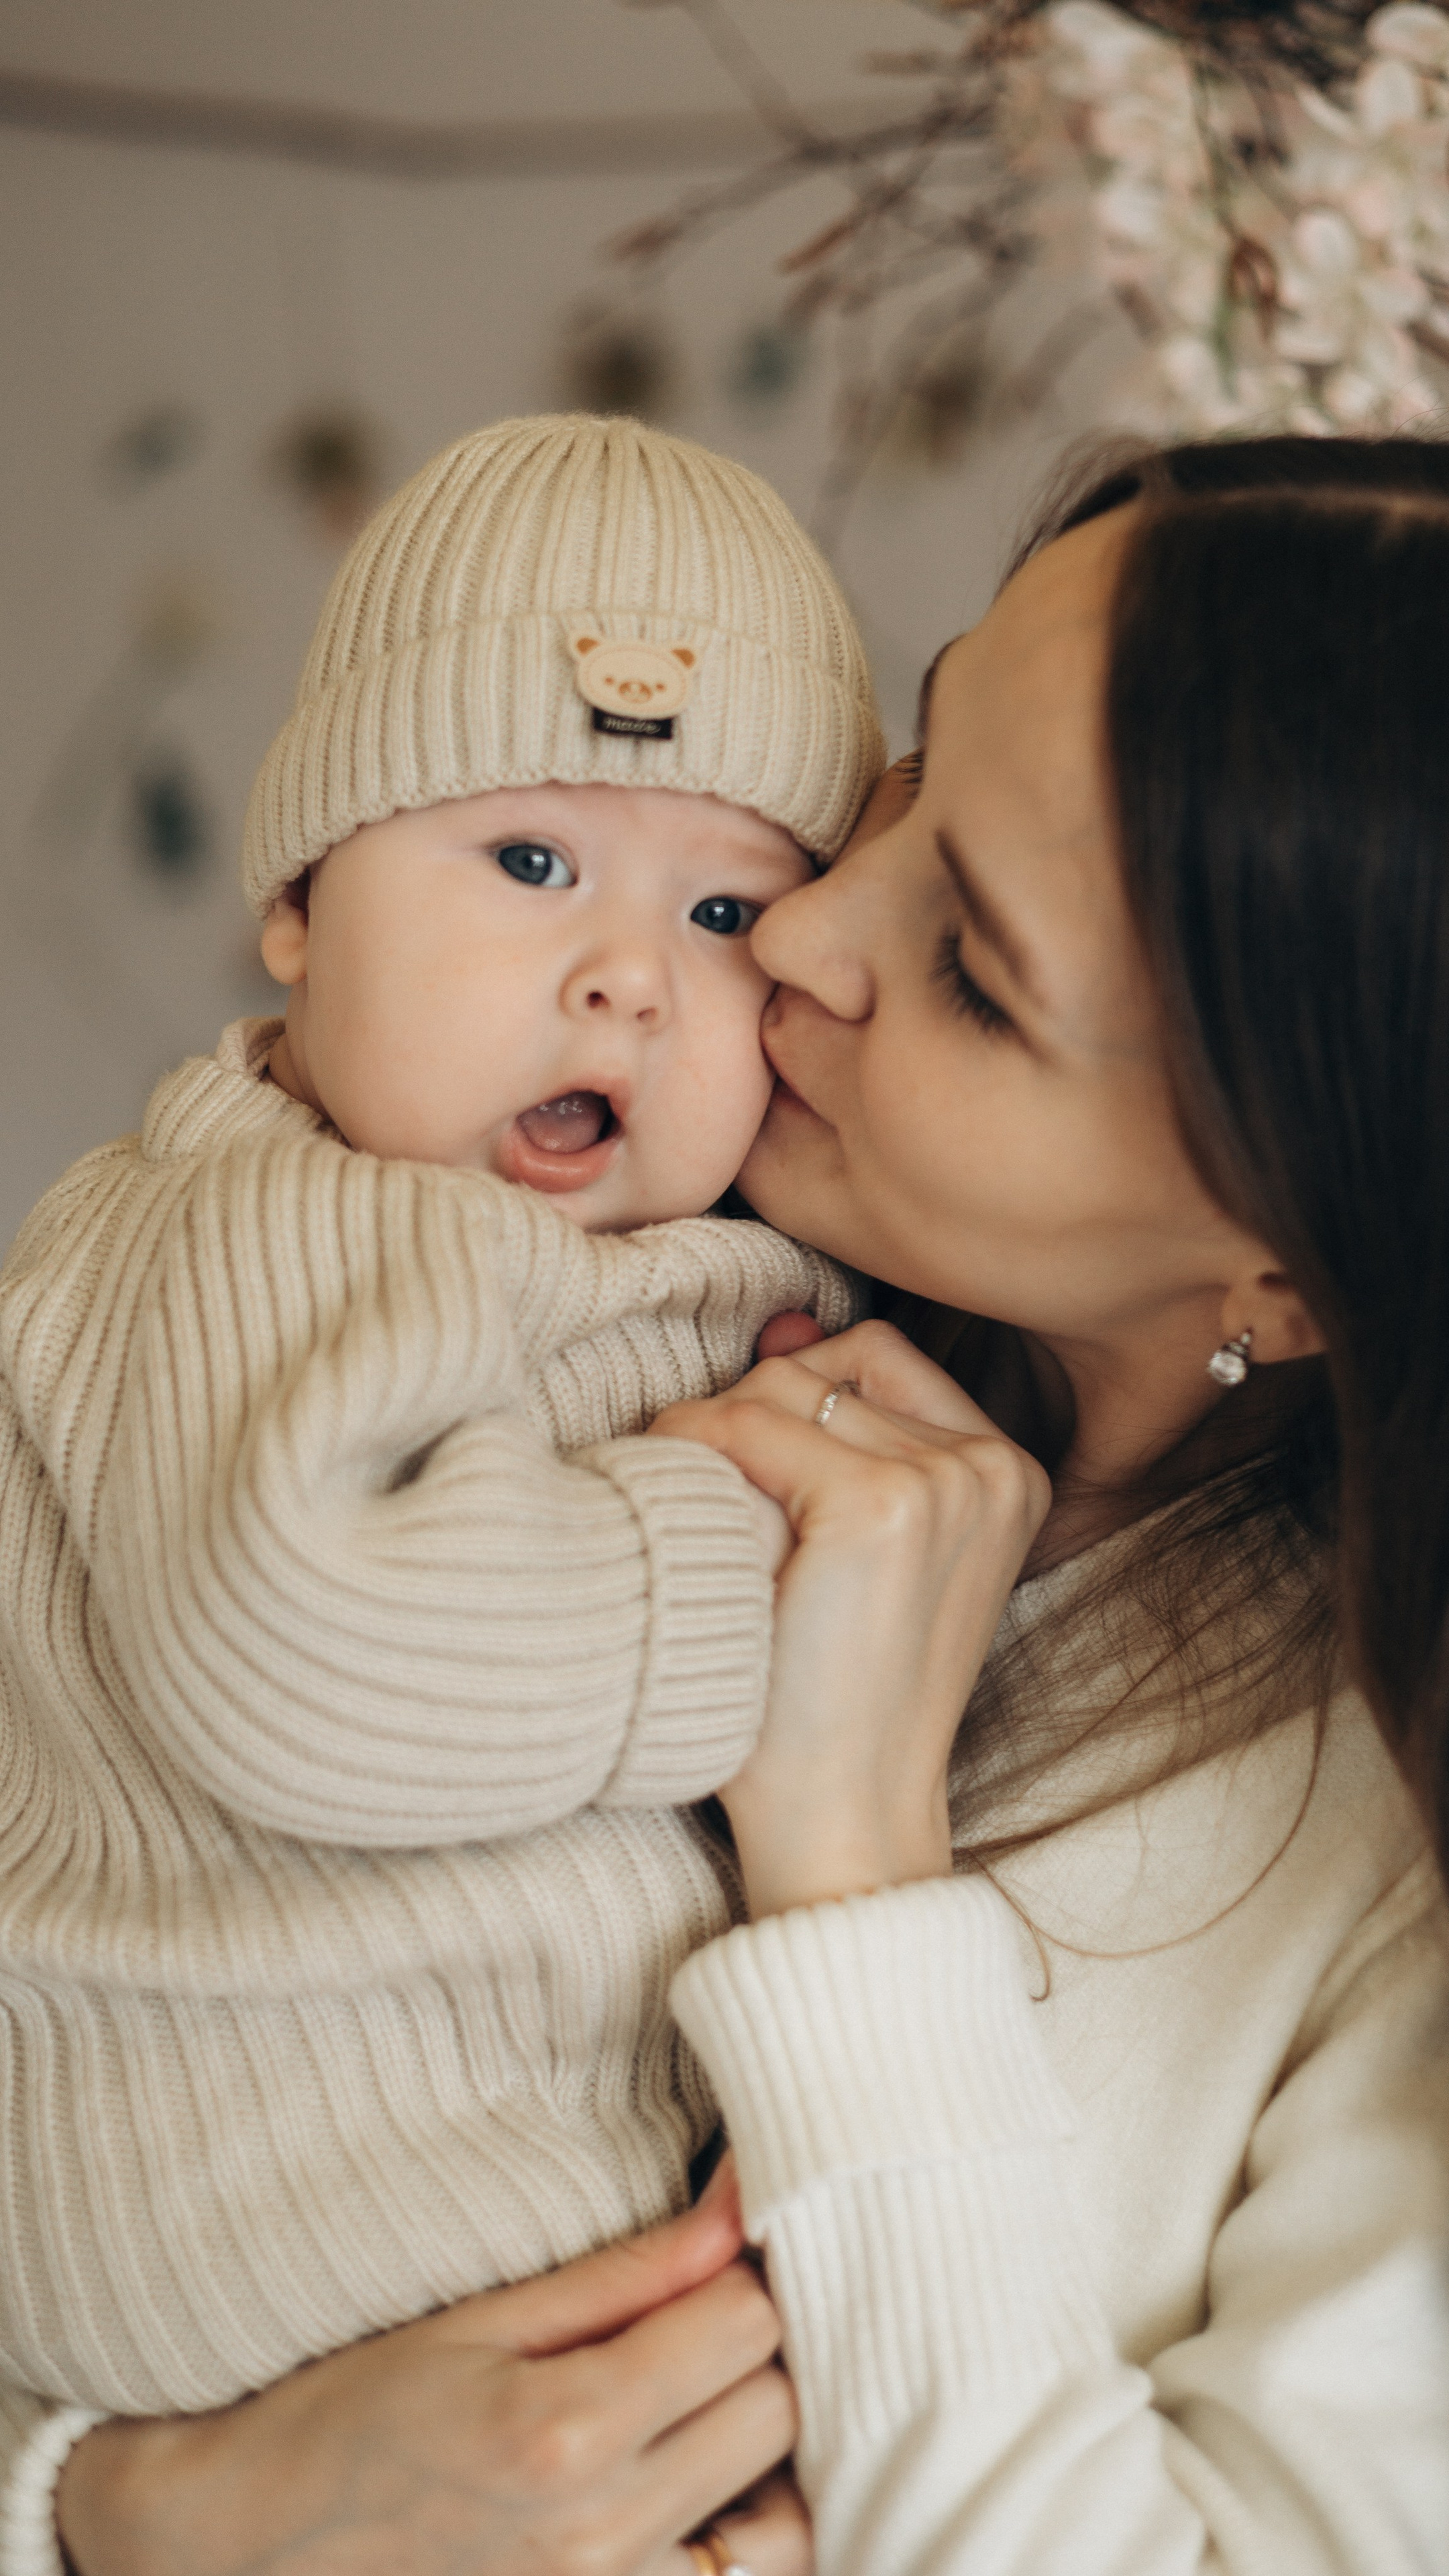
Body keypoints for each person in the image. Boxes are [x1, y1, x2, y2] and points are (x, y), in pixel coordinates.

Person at [39, 431, 1449, 2576]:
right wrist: (125, 2504)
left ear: (1288, 1265)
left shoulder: (1448, 1900)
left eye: (977, 972)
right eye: (911, 774)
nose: (799, 926)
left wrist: (852, 1877)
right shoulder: (482, 1281)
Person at [0, 410, 882, 2574]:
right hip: (295, 2215)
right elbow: (318, 1634)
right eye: (525, 862)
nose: (626, 972)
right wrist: (762, 1558)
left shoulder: (631, 1253)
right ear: (295, 907)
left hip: (512, 2272)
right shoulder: (263, 1223)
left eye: (726, 907)